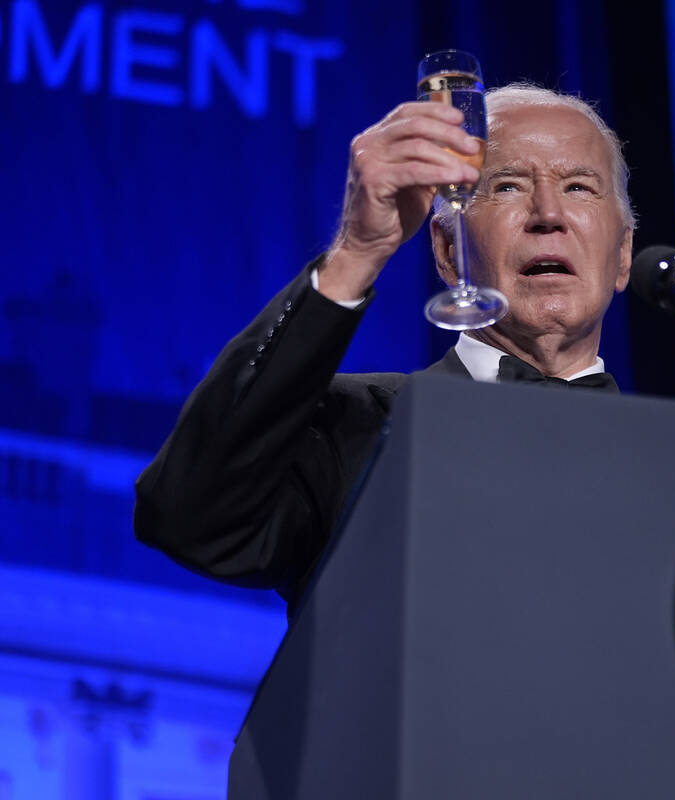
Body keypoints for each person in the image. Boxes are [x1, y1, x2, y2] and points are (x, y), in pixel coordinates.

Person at [134, 85, 636, 607]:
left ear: (622, 255)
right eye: (507, 186)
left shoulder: (674, 464)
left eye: (580, 187)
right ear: (447, 252)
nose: (548, 213)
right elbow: (190, 515)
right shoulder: (354, 429)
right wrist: (358, 251)